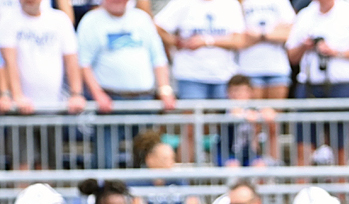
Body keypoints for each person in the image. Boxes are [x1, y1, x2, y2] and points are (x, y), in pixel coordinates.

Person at [76, 0, 175, 169]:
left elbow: (158, 58)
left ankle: (144, 195)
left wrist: (165, 90)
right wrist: (97, 94)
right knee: (104, 160)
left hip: (144, 99)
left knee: (147, 158)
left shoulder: (142, 19)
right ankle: (104, 194)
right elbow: (83, 63)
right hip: (110, 101)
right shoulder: (91, 21)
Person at [284, 0, 349, 165]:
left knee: (340, 148)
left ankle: (340, 190)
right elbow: (291, 55)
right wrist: (305, 46)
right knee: (303, 145)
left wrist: (336, 52)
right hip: (309, 87)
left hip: (342, 87)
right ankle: (302, 190)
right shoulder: (305, 15)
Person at [1, 0, 85, 169]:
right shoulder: (8, 20)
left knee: (49, 166)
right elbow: (8, 61)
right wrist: (16, 96)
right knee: (22, 165)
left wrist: (76, 94)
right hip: (21, 110)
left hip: (53, 106)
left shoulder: (59, 20)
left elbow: (71, 60)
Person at [154, 0, 246, 100]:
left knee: (224, 114)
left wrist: (205, 41)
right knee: (192, 114)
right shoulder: (181, 2)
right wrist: (174, 42)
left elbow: (240, 40)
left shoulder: (230, 3)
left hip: (223, 76)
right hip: (190, 76)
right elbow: (156, 26)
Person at [238, 0, 295, 99]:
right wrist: (274, 31)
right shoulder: (241, 3)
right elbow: (238, 38)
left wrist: (261, 34)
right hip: (249, 68)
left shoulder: (281, 2)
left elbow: (291, 33)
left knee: (275, 113)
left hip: (277, 68)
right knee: (252, 113)